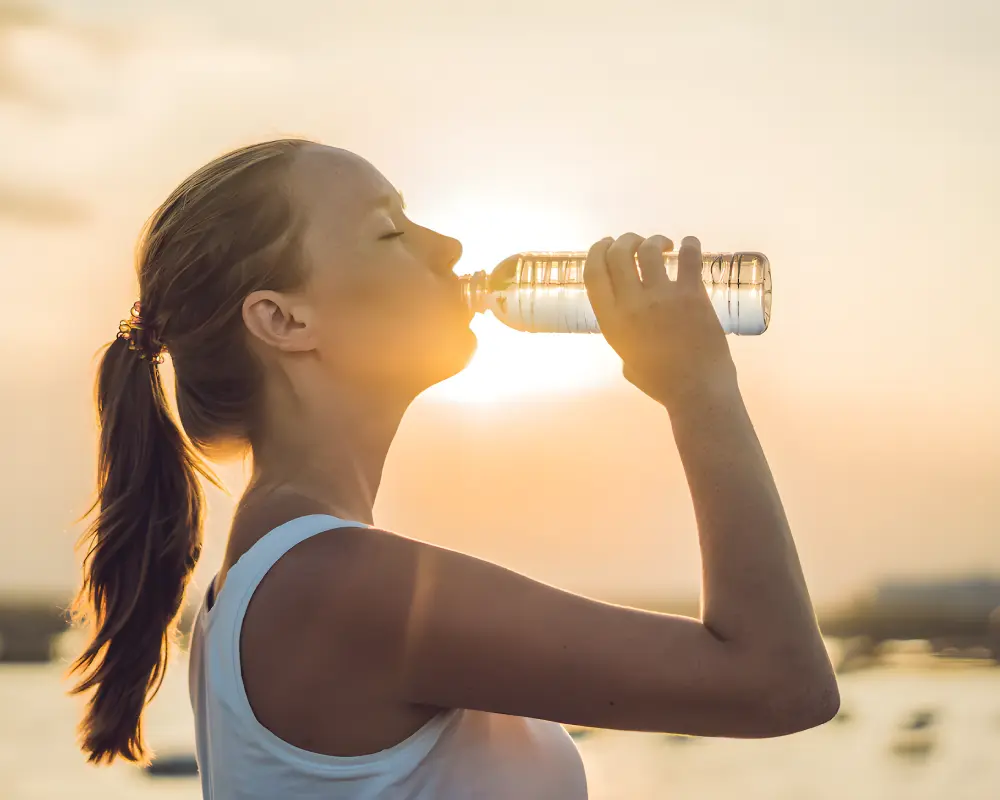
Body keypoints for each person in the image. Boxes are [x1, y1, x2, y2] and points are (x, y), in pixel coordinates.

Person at [68, 138, 839, 799]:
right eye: (389, 232)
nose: (448, 248)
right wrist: (699, 389)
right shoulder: (334, 585)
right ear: (284, 320)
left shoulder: (285, 576)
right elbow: (778, 682)